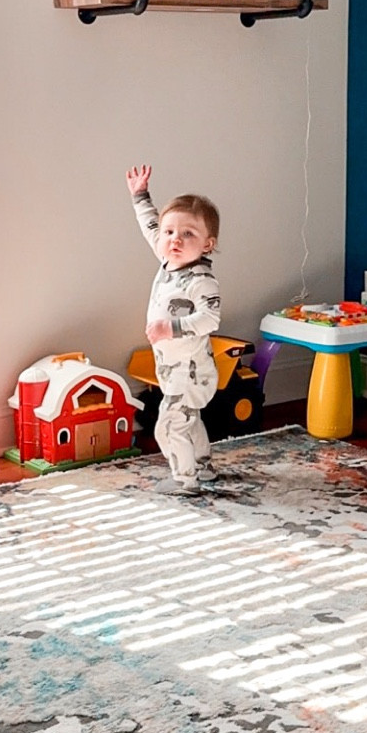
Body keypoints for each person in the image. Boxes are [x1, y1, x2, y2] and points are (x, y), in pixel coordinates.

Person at [126, 165, 221, 493]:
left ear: (207, 245)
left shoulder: (201, 280)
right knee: (187, 418)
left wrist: (172, 328)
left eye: (187, 234)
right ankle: (204, 466)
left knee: (168, 425)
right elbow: (151, 224)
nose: (174, 240)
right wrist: (140, 195)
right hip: (173, 370)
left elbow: (210, 319)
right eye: (170, 233)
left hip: (191, 371)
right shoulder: (168, 260)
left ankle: (185, 479)